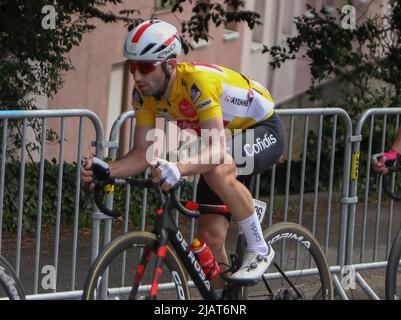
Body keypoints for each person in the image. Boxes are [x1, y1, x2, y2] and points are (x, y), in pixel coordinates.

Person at [81, 19, 285, 296]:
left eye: (145, 66)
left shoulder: (196, 83)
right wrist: (108, 169)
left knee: (216, 168)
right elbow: (143, 153)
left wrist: (177, 168)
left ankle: (260, 248)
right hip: (231, 142)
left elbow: (214, 151)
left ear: (169, 65)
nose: (137, 76)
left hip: (262, 128)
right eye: (132, 66)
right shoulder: (144, 94)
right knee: (209, 240)